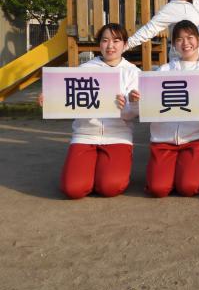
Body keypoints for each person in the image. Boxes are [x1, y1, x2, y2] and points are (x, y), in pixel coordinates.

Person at [39, 23, 140, 199]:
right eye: (105, 40)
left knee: (110, 187)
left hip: (118, 136)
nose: (110, 46)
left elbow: (133, 114)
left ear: (124, 44)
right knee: (73, 189)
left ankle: (107, 171)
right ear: (99, 43)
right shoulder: (84, 70)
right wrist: (50, 99)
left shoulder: (133, 72)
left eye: (116, 41)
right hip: (85, 135)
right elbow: (68, 102)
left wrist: (127, 105)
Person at [141, 20, 199, 198]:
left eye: (190, 37)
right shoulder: (163, 70)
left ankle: (194, 169)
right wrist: (138, 101)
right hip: (164, 139)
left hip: (196, 139)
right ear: (173, 44)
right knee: (157, 188)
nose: (185, 43)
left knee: (189, 187)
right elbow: (149, 106)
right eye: (179, 39)